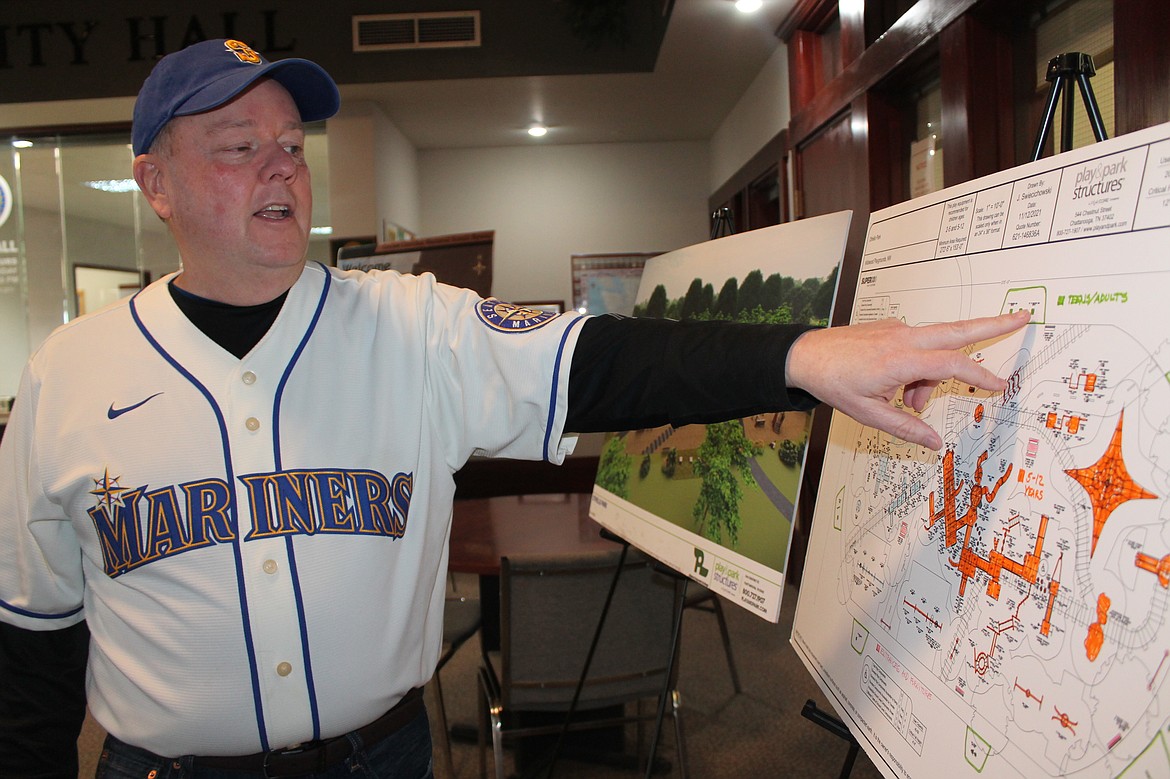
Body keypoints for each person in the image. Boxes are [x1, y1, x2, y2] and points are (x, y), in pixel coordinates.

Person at [0, 39, 1028, 779]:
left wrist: (801, 353)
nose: (281, 165)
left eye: (289, 142)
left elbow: (602, 361)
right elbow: (31, 650)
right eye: (237, 146)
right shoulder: (69, 374)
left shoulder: (411, 325)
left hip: (383, 758)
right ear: (154, 181)